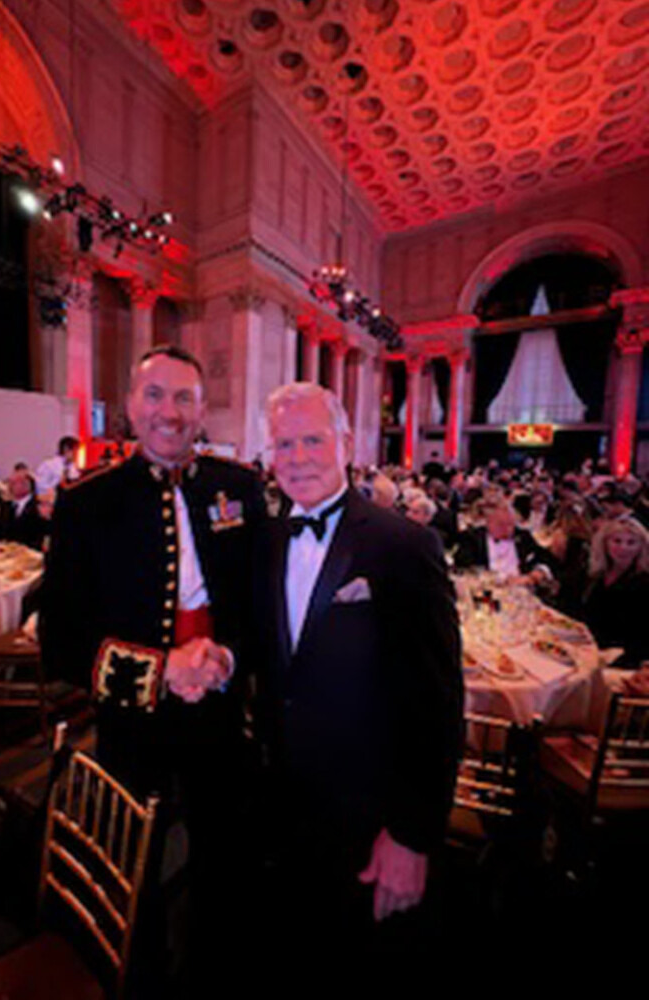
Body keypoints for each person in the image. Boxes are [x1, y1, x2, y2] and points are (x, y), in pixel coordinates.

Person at [39, 344, 267, 991]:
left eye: (185, 398)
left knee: (227, 857)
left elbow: (259, 605)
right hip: (133, 724)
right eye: (156, 396)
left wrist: (226, 657)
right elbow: (60, 643)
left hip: (222, 715)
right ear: (131, 407)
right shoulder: (87, 503)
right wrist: (160, 669)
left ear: (202, 410)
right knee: (129, 866)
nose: (170, 412)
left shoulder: (240, 488)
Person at [256, 382, 463, 988]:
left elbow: (438, 702)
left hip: (371, 816)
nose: (297, 457)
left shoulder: (405, 544)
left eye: (312, 440)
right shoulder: (265, 541)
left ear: (346, 443)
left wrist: (413, 834)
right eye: (284, 444)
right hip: (281, 810)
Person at [581, 517, 649, 669]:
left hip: (620, 658)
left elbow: (643, 638)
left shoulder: (644, 583)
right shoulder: (597, 574)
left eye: (631, 542)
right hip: (587, 647)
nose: (623, 548)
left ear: (641, 547)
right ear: (605, 543)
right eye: (617, 541)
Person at [454, 502, 557, 585]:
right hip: (488, 589)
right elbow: (462, 565)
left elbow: (545, 557)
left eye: (511, 524)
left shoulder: (523, 536)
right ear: (489, 523)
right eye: (502, 524)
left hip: (521, 591)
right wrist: (500, 579)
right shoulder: (473, 538)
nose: (508, 530)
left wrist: (539, 571)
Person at [0, 470, 48, 551]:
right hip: (7, 553)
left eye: (14, 483)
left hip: (31, 553)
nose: (10, 486)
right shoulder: (5, 506)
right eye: (10, 482)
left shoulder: (39, 505)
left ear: (27, 484)